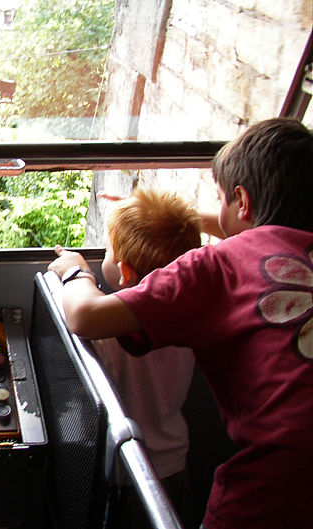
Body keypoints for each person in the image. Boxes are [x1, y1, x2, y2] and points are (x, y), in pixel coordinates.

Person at [48, 118, 313, 529]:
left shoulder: (215, 268)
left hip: (275, 480)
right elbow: (253, 235)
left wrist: (75, 272)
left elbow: (84, 316)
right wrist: (169, 221)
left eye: (221, 199)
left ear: (241, 202)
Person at [91, 187, 199, 528]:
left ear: (125, 272)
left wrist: (74, 273)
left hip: (128, 471)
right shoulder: (193, 315)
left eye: (107, 250)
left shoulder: (109, 327)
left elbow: (80, 312)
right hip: (176, 466)